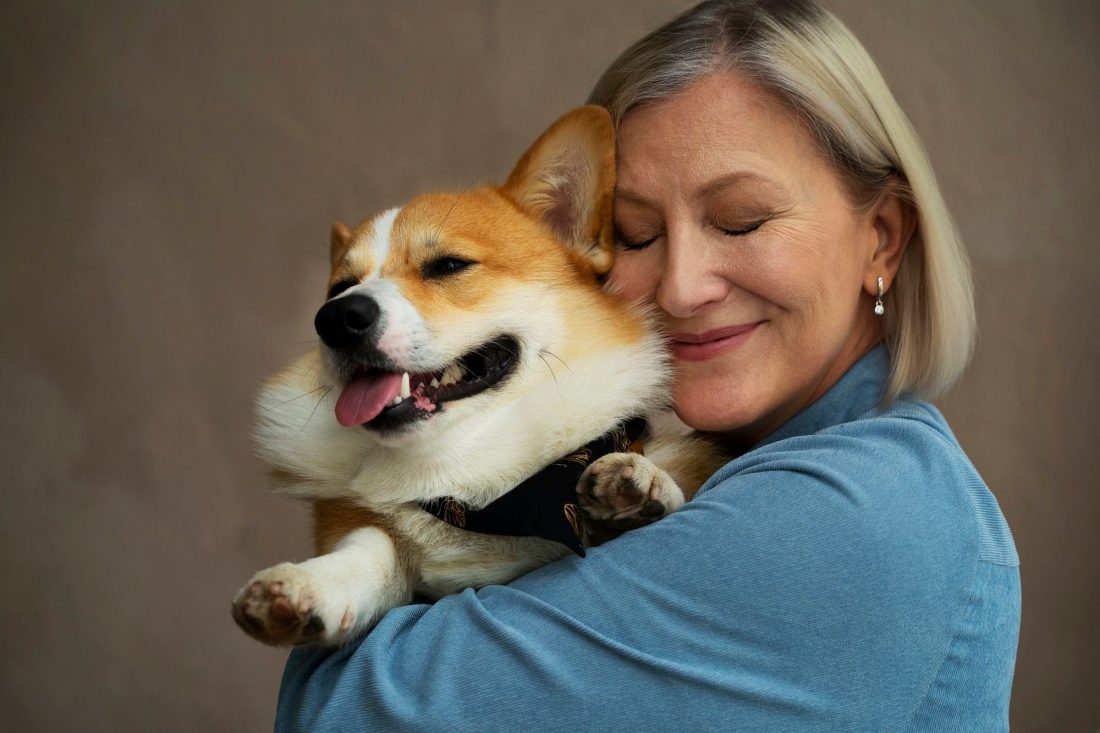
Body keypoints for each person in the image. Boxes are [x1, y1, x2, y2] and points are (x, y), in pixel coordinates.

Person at [275, 1, 1020, 729]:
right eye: (633, 233)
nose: (681, 288)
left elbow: (344, 712)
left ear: (882, 240)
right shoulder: (675, 469)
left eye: (742, 220)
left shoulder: (855, 516)